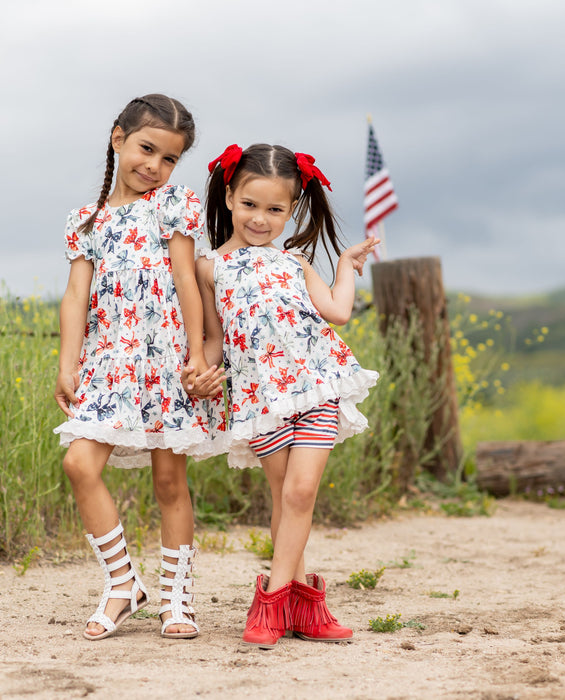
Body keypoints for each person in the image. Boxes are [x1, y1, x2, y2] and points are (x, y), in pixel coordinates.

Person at [188, 143, 380, 649]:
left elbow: (337, 312)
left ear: (292, 210)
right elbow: (212, 338)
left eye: (276, 209)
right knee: (282, 500)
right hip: (260, 399)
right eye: (250, 204)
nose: (261, 218)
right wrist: (202, 372)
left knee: (299, 493)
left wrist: (344, 265)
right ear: (229, 196)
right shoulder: (209, 269)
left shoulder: (294, 263)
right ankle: (302, 606)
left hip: (317, 386)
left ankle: (270, 605)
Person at [54, 94, 224, 641]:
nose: (154, 166)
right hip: (108, 362)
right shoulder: (87, 221)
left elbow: (185, 280)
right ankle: (124, 582)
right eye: (147, 149)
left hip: (165, 360)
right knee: (80, 463)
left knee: (171, 479)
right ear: (118, 137)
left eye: (169, 158)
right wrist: (68, 362)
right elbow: (76, 296)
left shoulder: (171, 205)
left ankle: (177, 597)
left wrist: (196, 354)